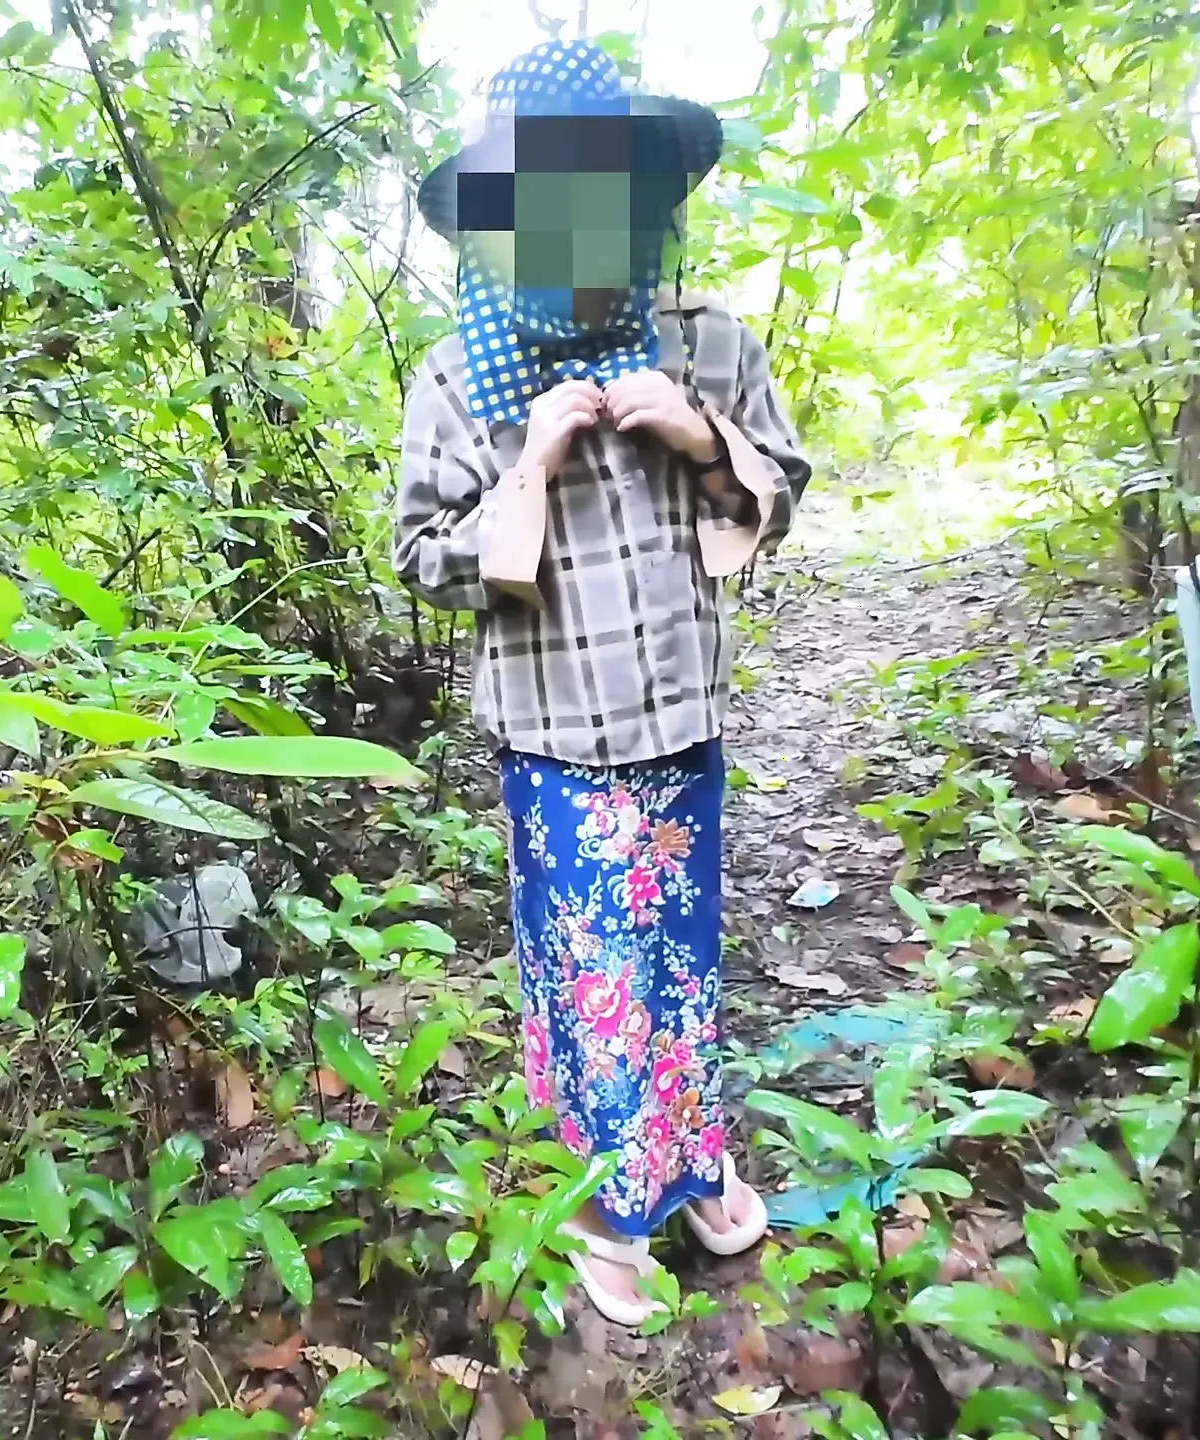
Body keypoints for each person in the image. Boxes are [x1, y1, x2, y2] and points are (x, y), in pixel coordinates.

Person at [391, 39, 814, 1327]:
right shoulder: (461, 376)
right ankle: (603, 1194)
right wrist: (532, 471)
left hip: (678, 716)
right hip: (553, 736)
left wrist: (701, 436)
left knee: (677, 956)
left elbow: (781, 488)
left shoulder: (708, 344)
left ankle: (685, 1161)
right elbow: (419, 555)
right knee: (589, 970)